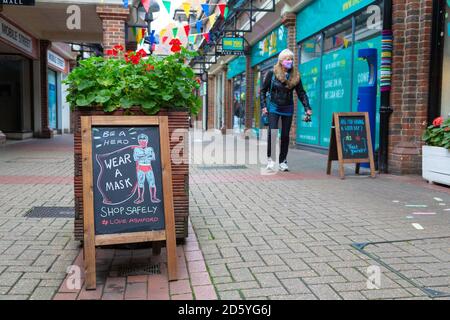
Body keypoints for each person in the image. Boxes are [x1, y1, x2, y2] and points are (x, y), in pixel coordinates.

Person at [261, 49, 313, 172]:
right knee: (273, 133)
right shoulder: (272, 73)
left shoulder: (295, 75)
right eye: (287, 59)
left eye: (291, 59)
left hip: (288, 107)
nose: (289, 61)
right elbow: (263, 91)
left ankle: (283, 161)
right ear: (281, 61)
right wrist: (264, 106)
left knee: (285, 135)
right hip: (274, 106)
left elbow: (301, 93)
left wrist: (307, 107)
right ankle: (271, 160)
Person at [133, 133, 160, 204]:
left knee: (152, 183)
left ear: (147, 141)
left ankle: (153, 197)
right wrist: (146, 156)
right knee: (140, 183)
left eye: (144, 140)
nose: (142, 142)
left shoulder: (150, 149)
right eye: (140, 140)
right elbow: (135, 158)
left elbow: (153, 158)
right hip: (140, 167)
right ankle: (140, 197)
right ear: (138, 141)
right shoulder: (136, 149)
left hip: (148, 167)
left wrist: (142, 156)